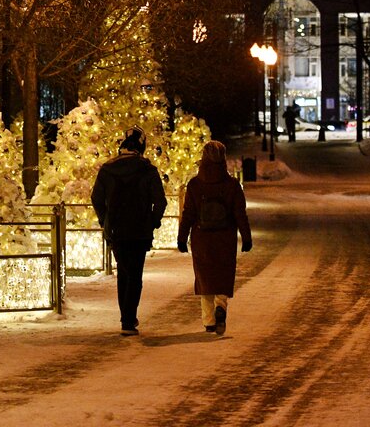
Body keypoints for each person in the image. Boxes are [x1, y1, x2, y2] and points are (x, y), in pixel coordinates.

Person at [91, 126, 167, 336]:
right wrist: (152, 221)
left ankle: (126, 318)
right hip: (140, 229)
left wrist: (105, 220)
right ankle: (128, 319)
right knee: (135, 273)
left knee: (123, 273)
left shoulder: (107, 170)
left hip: (116, 229)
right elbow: (160, 201)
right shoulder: (147, 170)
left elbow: (96, 198)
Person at [178, 140, 252, 336]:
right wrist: (246, 237)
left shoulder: (195, 184)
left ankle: (209, 321)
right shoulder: (232, 185)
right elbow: (240, 213)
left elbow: (188, 214)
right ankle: (221, 307)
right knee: (223, 274)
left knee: (204, 278)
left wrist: (181, 237)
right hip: (225, 237)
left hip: (202, 238)